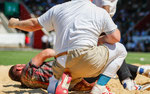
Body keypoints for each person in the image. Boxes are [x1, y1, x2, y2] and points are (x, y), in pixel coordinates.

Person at [8, 0, 127, 94]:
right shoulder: (100, 12)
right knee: (120, 50)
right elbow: (115, 37)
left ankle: (55, 87)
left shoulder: (58, 8)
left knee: (56, 77)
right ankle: (100, 87)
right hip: (88, 62)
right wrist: (101, 40)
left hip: (62, 63)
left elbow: (33, 25)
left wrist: (15, 24)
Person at [93, 0, 150, 90]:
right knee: (116, 49)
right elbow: (106, 4)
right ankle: (128, 81)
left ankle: (135, 74)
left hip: (94, 19)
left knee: (114, 51)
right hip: (102, 20)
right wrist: (107, 24)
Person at [9, 48, 150, 91]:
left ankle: (140, 72)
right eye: (18, 66)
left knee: (110, 60)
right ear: (20, 68)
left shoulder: (28, 83)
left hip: (80, 85)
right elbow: (46, 53)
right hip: (77, 72)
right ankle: (132, 79)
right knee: (113, 52)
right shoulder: (29, 69)